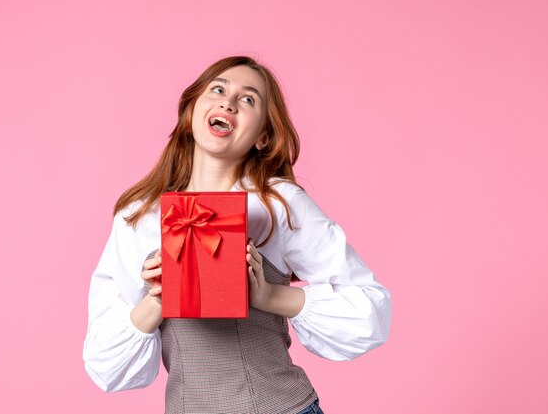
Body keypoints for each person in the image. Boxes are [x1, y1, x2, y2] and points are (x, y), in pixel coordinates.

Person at [82, 55, 392, 414]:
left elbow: (371, 310)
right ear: (191, 112)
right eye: (218, 89)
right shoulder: (139, 217)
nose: (228, 102)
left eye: (248, 99)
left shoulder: (278, 203)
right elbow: (105, 366)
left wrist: (268, 295)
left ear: (263, 136)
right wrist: (156, 300)